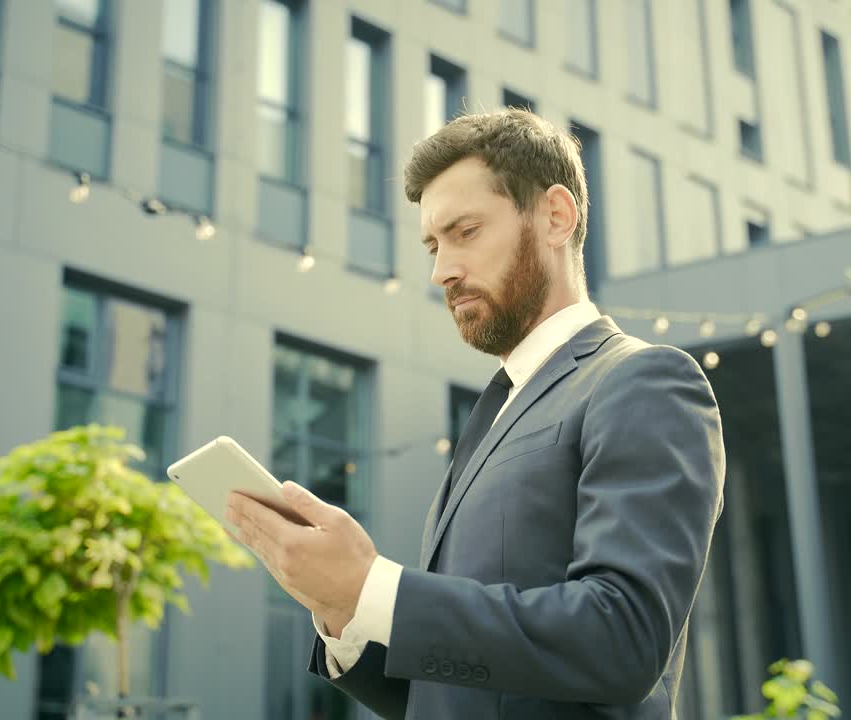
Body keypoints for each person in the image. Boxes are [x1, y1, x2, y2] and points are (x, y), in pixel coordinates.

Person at [226, 109, 726, 719]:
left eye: (465, 232)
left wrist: (375, 587)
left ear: (556, 216)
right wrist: (344, 613)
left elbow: (623, 638)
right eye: (433, 245)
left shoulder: (643, 381)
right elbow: (456, 689)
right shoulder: (491, 414)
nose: (442, 271)